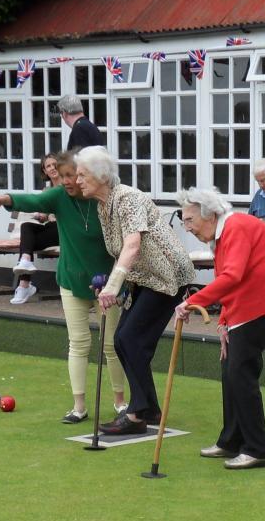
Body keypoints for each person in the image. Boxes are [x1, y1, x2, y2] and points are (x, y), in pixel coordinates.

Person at [0, 152, 127, 422]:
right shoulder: (59, 197)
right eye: (63, 176)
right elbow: (33, 200)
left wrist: (120, 281)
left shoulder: (104, 198)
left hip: (107, 285)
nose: (68, 181)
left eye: (74, 175)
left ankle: (120, 402)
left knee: (111, 345)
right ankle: (79, 407)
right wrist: (6, 199)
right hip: (71, 280)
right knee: (78, 343)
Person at [75, 146, 196, 435]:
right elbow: (121, 251)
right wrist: (115, 288)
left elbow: (133, 246)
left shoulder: (128, 198)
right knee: (123, 341)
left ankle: (138, 413)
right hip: (145, 278)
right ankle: (148, 408)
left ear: (100, 175)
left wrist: (113, 286)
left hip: (168, 277)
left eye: (82, 174)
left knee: (130, 339)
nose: (77, 180)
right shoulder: (104, 204)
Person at [177, 187, 265, 470]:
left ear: (209, 215)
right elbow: (230, 279)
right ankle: (231, 440)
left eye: (189, 220)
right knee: (230, 372)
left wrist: (192, 302)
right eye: (184, 220)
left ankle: (258, 449)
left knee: (241, 373)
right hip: (242, 308)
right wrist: (224, 321)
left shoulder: (235, 227)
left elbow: (232, 276)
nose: (187, 228)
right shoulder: (223, 233)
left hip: (258, 308)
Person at [9, 154, 62, 304]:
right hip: (52, 228)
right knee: (27, 228)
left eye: (54, 164)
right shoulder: (46, 191)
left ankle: (24, 285)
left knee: (27, 244)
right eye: (48, 166)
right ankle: (25, 266)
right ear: (45, 171)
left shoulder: (68, 185)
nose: (52, 168)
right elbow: (46, 214)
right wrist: (41, 215)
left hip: (65, 230)